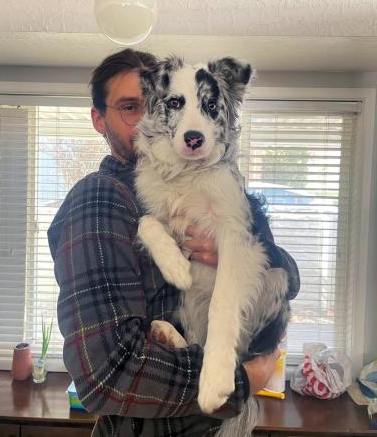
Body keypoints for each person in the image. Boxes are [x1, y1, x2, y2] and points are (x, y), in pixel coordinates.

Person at [48, 49, 300, 437]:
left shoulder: (199, 178)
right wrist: (240, 377)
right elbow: (107, 375)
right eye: (131, 107)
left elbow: (282, 275)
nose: (152, 118)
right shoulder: (100, 198)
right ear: (99, 119)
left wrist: (230, 254)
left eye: (156, 105)